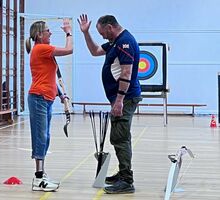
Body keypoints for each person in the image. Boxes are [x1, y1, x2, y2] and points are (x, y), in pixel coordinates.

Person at [78, 14, 142, 194]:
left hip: (126, 98)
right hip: (120, 98)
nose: (102, 37)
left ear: (110, 27)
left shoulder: (124, 42)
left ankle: (127, 181)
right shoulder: (116, 41)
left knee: (120, 138)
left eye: (102, 33)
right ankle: (123, 174)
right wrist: (86, 33)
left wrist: (119, 100)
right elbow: (95, 51)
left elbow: (127, 72)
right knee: (119, 137)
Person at [25, 19, 73, 192]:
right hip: (38, 98)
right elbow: (69, 49)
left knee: (45, 138)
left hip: (46, 98)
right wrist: (68, 32)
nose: (50, 33)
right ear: (39, 35)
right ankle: (39, 179)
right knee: (41, 137)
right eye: (47, 31)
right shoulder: (41, 49)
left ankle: (42, 175)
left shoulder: (43, 51)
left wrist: (61, 94)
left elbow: (48, 77)